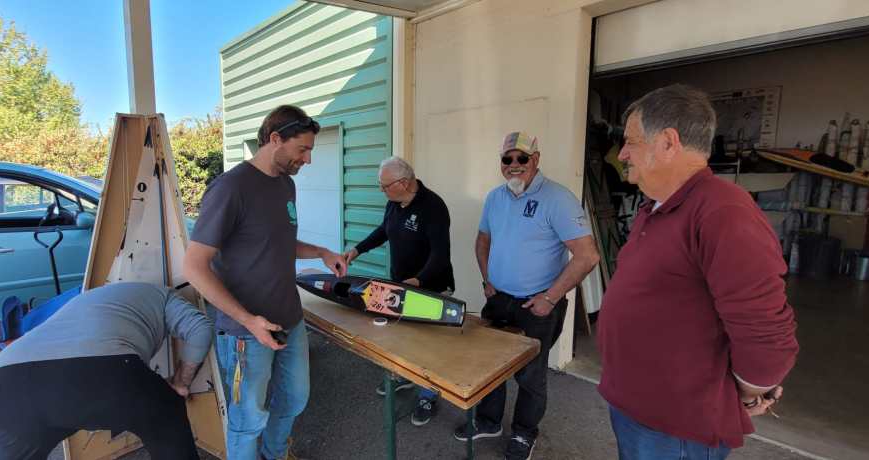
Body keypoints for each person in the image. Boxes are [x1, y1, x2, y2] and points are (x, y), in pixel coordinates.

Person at [598, 84, 799, 460]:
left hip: (676, 426)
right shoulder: (657, 207)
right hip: (639, 408)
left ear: (668, 142)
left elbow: (765, 329)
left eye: (631, 142)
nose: (622, 153)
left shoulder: (722, 211)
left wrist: (749, 391)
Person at [183, 105, 347, 460]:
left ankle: (275, 454)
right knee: (248, 420)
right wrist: (247, 320)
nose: (308, 159)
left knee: (294, 399)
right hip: (246, 331)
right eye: (302, 149)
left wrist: (321, 252)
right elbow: (194, 266)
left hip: (290, 318)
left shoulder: (286, 185)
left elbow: (280, 242)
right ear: (275, 139)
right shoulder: (230, 188)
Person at [456, 131, 599, 460]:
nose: (514, 164)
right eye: (507, 159)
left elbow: (588, 256)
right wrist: (487, 279)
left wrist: (550, 298)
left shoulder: (558, 198)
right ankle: (489, 421)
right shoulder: (495, 197)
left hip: (537, 305)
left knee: (530, 376)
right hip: (498, 299)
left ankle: (524, 433)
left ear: (535, 159)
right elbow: (482, 240)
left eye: (521, 158)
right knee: (490, 366)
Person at [0, 282, 214, 460]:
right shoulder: (165, 296)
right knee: (166, 411)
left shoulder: (92, 298)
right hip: (96, 370)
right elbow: (200, 328)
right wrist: (180, 382)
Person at [342, 156, 455, 426]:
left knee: (428, 344)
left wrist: (418, 280)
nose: (382, 191)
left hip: (430, 287)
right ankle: (406, 376)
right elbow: (384, 230)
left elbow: (440, 255)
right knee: (403, 337)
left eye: (385, 186)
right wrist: (357, 250)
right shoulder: (394, 203)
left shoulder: (433, 206)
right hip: (402, 284)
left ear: (404, 183)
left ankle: (428, 394)